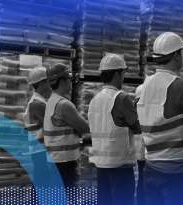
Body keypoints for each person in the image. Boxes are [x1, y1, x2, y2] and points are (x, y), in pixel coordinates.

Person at [137, 32, 183, 205]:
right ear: (176, 55)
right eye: (182, 51)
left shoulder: (145, 84)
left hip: (151, 167)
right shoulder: (180, 85)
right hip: (178, 171)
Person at [88, 54, 141, 205]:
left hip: (101, 164)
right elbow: (138, 128)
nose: (123, 78)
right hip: (120, 165)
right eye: (123, 74)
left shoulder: (94, 100)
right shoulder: (121, 98)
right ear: (117, 74)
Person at [44, 63, 90, 190]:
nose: (71, 81)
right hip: (65, 162)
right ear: (63, 82)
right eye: (69, 79)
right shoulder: (64, 105)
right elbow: (85, 127)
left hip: (54, 160)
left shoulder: (50, 101)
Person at [23, 66, 51, 203]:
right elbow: (54, 123)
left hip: (39, 149)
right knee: (42, 182)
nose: (51, 83)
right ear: (42, 83)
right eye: (49, 80)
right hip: (40, 150)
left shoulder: (39, 101)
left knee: (41, 181)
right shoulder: (38, 104)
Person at [134, 84, 146, 205]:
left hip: (137, 152)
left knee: (141, 179)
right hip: (146, 151)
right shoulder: (145, 109)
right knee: (145, 180)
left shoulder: (133, 109)